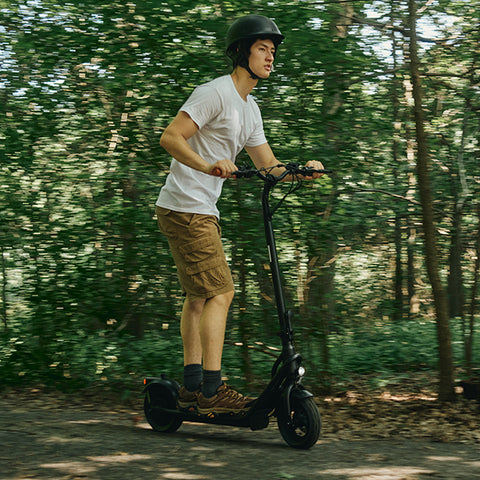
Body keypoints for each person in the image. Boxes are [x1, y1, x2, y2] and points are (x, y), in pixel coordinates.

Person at [156, 14, 324, 414]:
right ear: (241, 52)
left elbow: (268, 165)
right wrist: (209, 164)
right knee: (221, 292)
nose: (270, 57)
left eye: (272, 51)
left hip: (198, 208)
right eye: (263, 49)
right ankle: (213, 390)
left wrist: (302, 172)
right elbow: (170, 137)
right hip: (185, 205)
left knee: (199, 297)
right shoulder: (214, 93)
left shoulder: (250, 110)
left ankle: (194, 385)